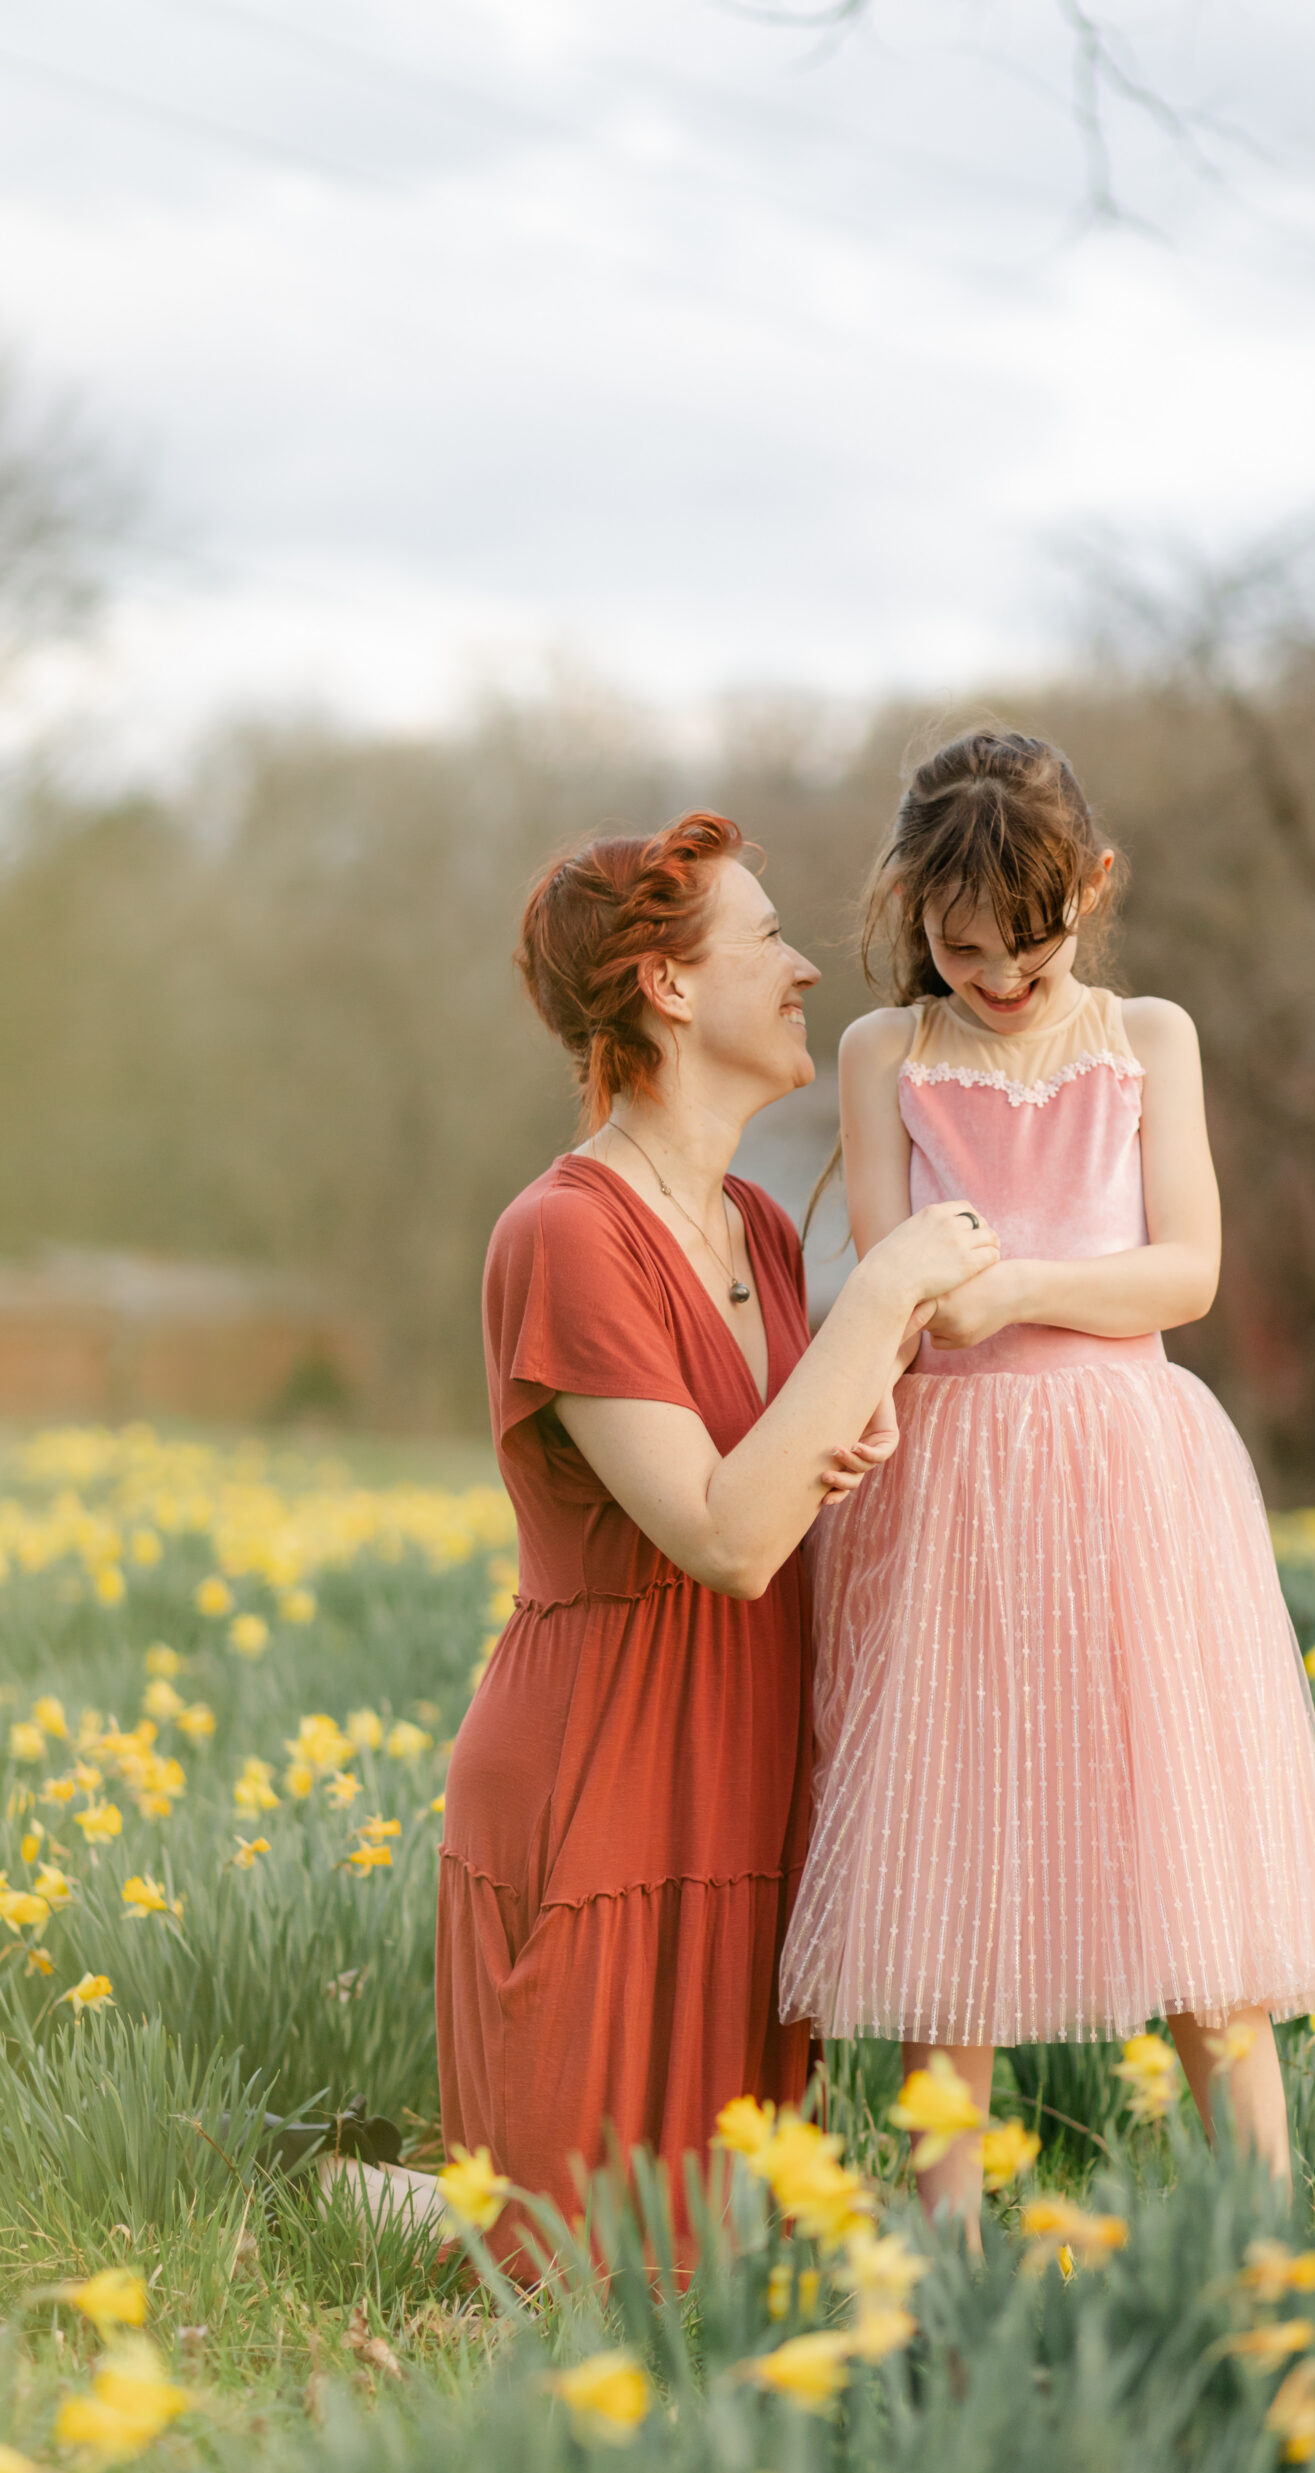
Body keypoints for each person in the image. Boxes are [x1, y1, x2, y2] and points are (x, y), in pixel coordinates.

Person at [778, 731, 1315, 2218]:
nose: (992, 979)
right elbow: (879, 1275)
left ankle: (1268, 2235)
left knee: (1182, 1837)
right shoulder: (885, 1058)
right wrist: (924, 1309)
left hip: (1126, 1473)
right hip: (954, 1487)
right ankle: (942, 2260)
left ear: (1092, 891)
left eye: (1025, 950)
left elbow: (1185, 1271)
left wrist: (1020, 1287)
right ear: (914, 907)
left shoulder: (1145, 1038)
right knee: (950, 1844)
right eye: (959, 945)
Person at [435, 808, 997, 2263]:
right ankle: (378, 2200)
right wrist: (882, 1298)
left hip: (747, 1771)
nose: (805, 966)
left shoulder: (753, 1222)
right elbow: (722, 1537)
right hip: (608, 1781)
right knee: (577, 2269)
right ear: (670, 988)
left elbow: (776, 1473)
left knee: (720, 2264)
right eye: (764, 938)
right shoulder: (562, 1235)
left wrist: (844, 1435)